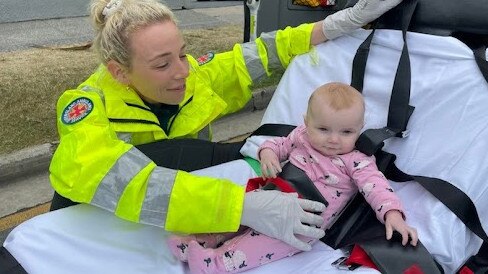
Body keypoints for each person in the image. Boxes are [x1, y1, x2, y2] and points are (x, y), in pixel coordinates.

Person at [48, 0, 404, 254]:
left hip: (169, 224)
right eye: (162, 64)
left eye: (183, 54)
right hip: (92, 227)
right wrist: (242, 206)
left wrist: (334, 25)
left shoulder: (193, 77)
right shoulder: (85, 107)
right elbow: (127, 181)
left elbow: (259, 55)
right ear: (118, 72)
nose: (183, 72)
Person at [167, 82, 418, 274]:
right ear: (306, 122)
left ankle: (216, 263)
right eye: (323, 129)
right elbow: (276, 145)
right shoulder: (301, 137)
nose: (333, 139)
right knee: (240, 214)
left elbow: (377, 188)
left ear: (360, 129)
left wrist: (392, 214)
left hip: (301, 225)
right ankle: (205, 238)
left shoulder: (357, 161)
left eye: (346, 132)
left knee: (259, 245)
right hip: (272, 197)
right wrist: (267, 154)